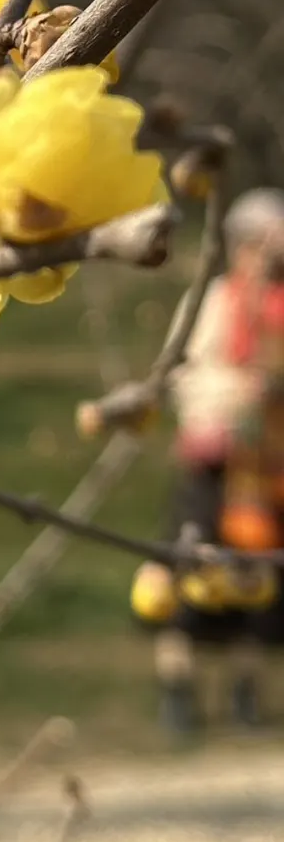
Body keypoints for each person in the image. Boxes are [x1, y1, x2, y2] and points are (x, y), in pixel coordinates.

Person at [142, 188, 284, 732]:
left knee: (257, 579)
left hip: (266, 466)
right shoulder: (217, 300)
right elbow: (184, 371)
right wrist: (236, 395)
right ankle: (178, 690)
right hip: (213, 457)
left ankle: (248, 693)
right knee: (190, 569)